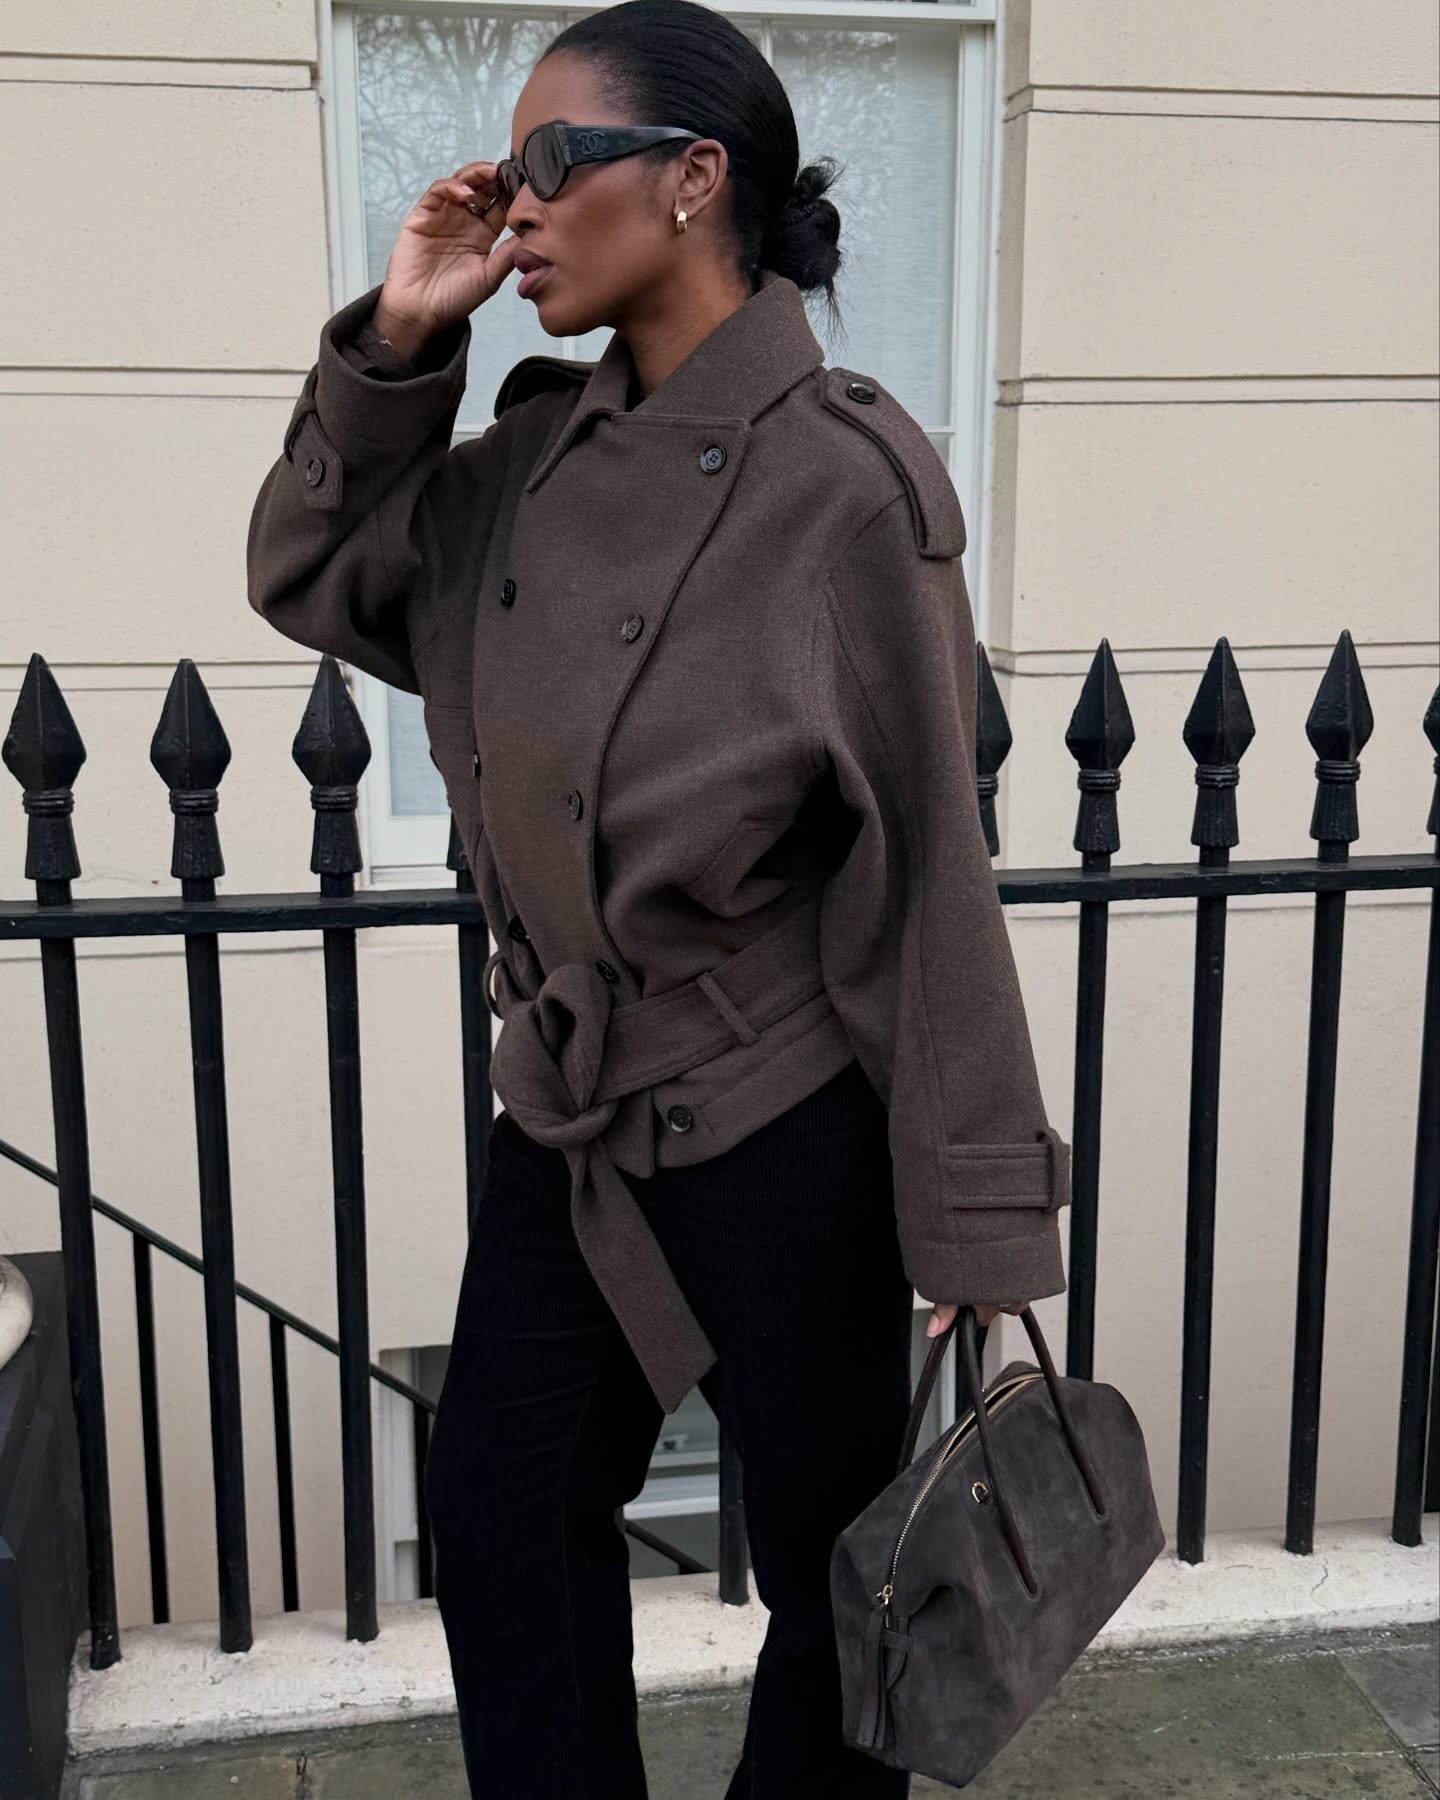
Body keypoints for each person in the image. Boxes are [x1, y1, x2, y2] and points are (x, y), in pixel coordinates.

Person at [246, 2, 1070, 1792]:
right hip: (569, 1108)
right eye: (505, 170)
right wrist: (402, 340)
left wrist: (975, 1216)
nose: (514, 207)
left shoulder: (846, 484)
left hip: (789, 1123)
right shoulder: (525, 468)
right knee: (499, 1512)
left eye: (553, 165)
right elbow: (312, 569)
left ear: (694, 181)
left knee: (844, 1573)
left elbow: (932, 856)